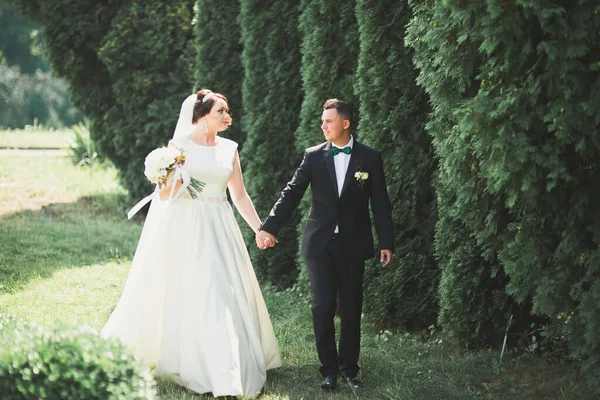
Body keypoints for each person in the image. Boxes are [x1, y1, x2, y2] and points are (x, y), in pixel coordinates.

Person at [101, 89, 281, 399]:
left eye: (227, 111)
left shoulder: (230, 149)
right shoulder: (178, 148)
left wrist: (259, 228)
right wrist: (170, 177)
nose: (228, 116)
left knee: (224, 292)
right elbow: (166, 197)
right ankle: (204, 366)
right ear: (200, 117)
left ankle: (229, 368)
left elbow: (239, 195)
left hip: (220, 227)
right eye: (220, 111)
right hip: (187, 227)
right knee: (198, 292)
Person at [256, 98, 394, 390]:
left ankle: (349, 369)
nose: (323, 125)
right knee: (322, 306)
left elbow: (380, 202)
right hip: (320, 243)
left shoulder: (369, 157)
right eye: (322, 120)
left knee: (352, 306)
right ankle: (328, 370)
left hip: (354, 244)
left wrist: (386, 241)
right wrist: (269, 227)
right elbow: (292, 193)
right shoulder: (314, 156)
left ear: (345, 123)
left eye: (329, 121)